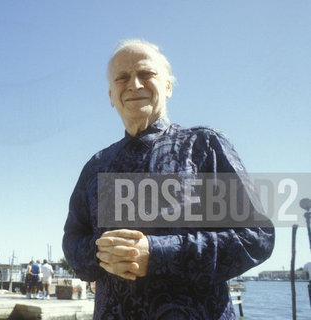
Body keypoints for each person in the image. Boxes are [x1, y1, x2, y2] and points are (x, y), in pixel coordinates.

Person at [62, 39, 275, 320]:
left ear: (168, 86)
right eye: (122, 77)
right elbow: (73, 243)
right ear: (111, 96)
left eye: (146, 73)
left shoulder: (205, 146)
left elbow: (255, 238)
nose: (134, 84)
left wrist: (158, 253)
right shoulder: (96, 166)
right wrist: (103, 252)